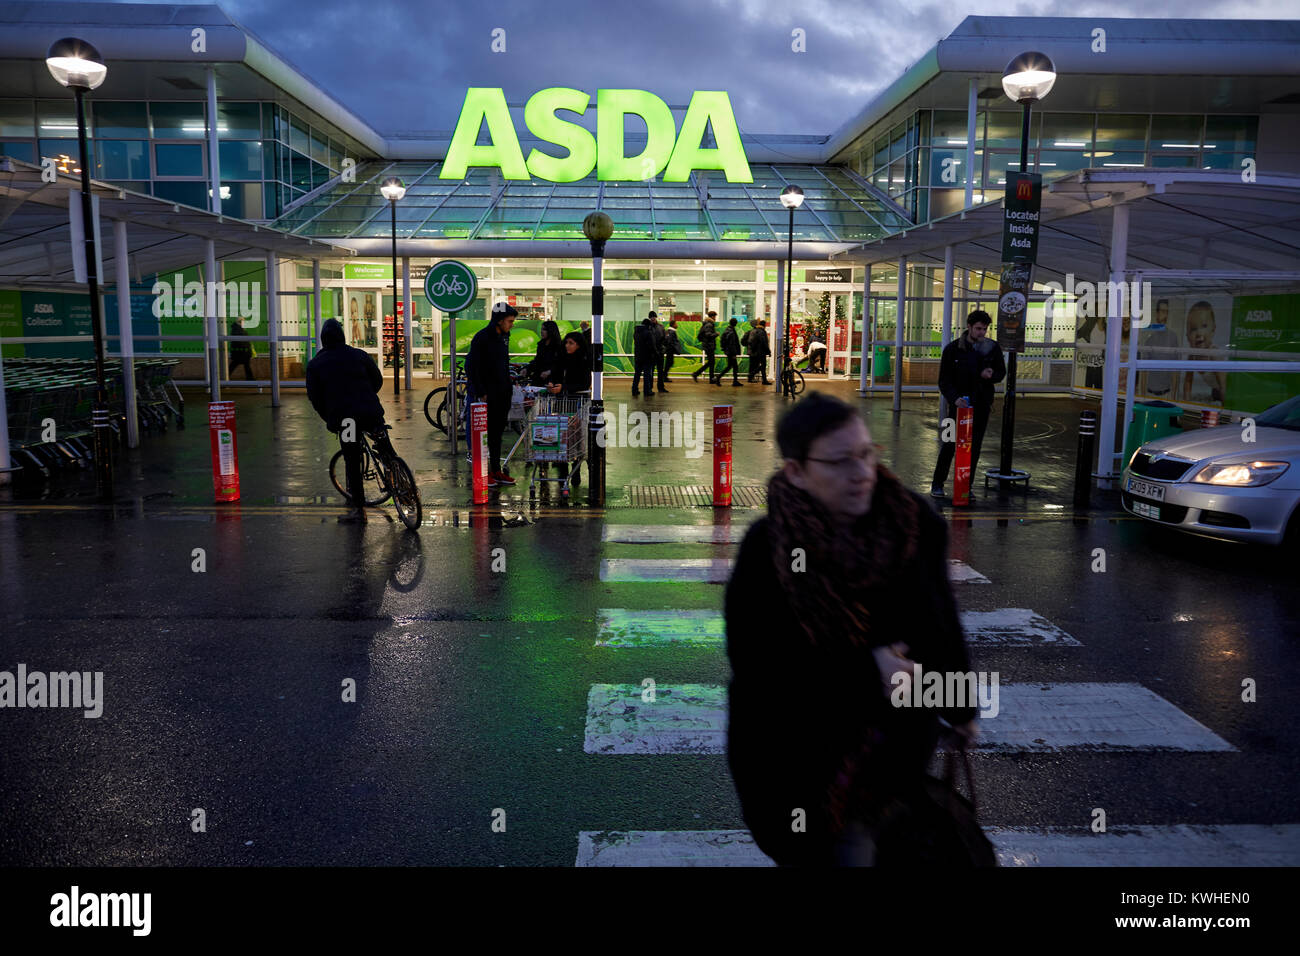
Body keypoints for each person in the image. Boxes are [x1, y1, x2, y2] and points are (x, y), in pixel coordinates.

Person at [726, 392, 978, 866]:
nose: (861, 473)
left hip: (897, 757)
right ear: (796, 471)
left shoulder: (912, 522)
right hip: (801, 767)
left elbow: (940, 622)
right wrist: (867, 670)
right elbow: (758, 669)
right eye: (840, 462)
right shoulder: (769, 549)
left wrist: (961, 709)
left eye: (865, 453)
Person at [306, 318, 386, 523]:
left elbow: (316, 398)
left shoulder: (316, 364)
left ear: (323, 339)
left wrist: (330, 418)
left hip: (347, 421)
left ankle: (359, 511)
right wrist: (367, 396)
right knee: (383, 444)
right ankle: (399, 477)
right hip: (370, 412)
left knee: (352, 460)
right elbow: (377, 379)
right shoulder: (359, 355)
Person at [930, 310, 1006, 499]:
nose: (982, 333)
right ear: (969, 327)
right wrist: (954, 398)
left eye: (985, 329)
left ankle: (965, 486)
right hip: (957, 406)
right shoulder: (953, 349)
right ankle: (938, 484)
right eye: (978, 328)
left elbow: (1000, 372)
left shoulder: (992, 348)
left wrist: (992, 376)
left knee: (974, 446)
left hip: (981, 405)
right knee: (949, 444)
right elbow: (944, 380)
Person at [466, 301, 519, 486]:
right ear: (499, 320)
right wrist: (481, 392)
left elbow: (502, 363)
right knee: (484, 437)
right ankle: (483, 473)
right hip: (487, 394)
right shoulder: (482, 338)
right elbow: (471, 366)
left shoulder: (504, 336)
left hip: (503, 393)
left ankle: (496, 470)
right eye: (510, 321)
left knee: (497, 435)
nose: (512, 324)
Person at [546, 331, 592, 486]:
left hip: (577, 403)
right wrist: (552, 384)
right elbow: (555, 374)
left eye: (571, 343)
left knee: (577, 437)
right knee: (563, 437)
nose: (567, 345)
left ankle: (576, 468)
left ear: (579, 345)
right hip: (561, 403)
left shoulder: (583, 360)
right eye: (567, 342)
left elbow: (585, 384)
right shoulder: (561, 358)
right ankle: (563, 469)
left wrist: (564, 387)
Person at [1180, 300, 1226, 406]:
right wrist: (1186, 404)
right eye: (1193, 329)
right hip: (1214, 391)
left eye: (1204, 326)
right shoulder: (1192, 356)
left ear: (1213, 330)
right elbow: (1188, 382)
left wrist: (1226, 409)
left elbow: (1223, 385)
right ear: (1187, 336)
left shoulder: (1214, 355)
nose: (1198, 333)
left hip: (1223, 390)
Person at [526, 319, 563, 386]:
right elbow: (537, 360)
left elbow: (561, 364)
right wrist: (527, 369)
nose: (541, 331)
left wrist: (550, 371)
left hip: (553, 381)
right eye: (541, 329)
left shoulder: (559, 346)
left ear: (551, 330)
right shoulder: (541, 345)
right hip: (538, 378)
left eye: (544, 329)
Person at [632, 312, 658, 397]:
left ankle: (634, 389)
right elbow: (652, 345)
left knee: (637, 374)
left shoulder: (636, 332)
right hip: (647, 357)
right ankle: (647, 391)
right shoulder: (648, 333)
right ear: (648, 325)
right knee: (647, 375)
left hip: (638, 357)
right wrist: (656, 353)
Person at [693, 311, 719, 384]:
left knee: (711, 362)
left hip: (707, 345)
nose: (715, 318)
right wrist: (716, 334)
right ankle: (699, 374)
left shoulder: (706, 324)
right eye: (715, 316)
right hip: (709, 345)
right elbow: (708, 335)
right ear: (713, 316)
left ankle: (699, 374)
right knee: (711, 362)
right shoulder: (709, 325)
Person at [719, 317, 743, 386]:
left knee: (730, 366)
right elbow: (732, 344)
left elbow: (724, 341)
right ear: (735, 323)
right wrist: (733, 354)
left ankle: (734, 381)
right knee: (733, 367)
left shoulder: (727, 330)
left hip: (728, 352)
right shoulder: (731, 332)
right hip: (731, 353)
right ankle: (719, 378)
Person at [747, 319, 771, 384]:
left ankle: (763, 379)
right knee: (763, 366)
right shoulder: (762, 331)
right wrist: (768, 351)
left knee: (759, 366)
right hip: (761, 352)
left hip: (756, 352)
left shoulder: (755, 331)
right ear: (764, 325)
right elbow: (764, 342)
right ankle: (753, 375)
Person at [660, 318, 680, 388]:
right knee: (669, 363)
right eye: (676, 323)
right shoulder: (672, 332)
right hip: (670, 350)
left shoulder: (669, 331)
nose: (677, 325)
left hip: (669, 350)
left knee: (669, 363)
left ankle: (664, 376)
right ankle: (664, 376)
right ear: (673, 324)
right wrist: (674, 348)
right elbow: (670, 341)